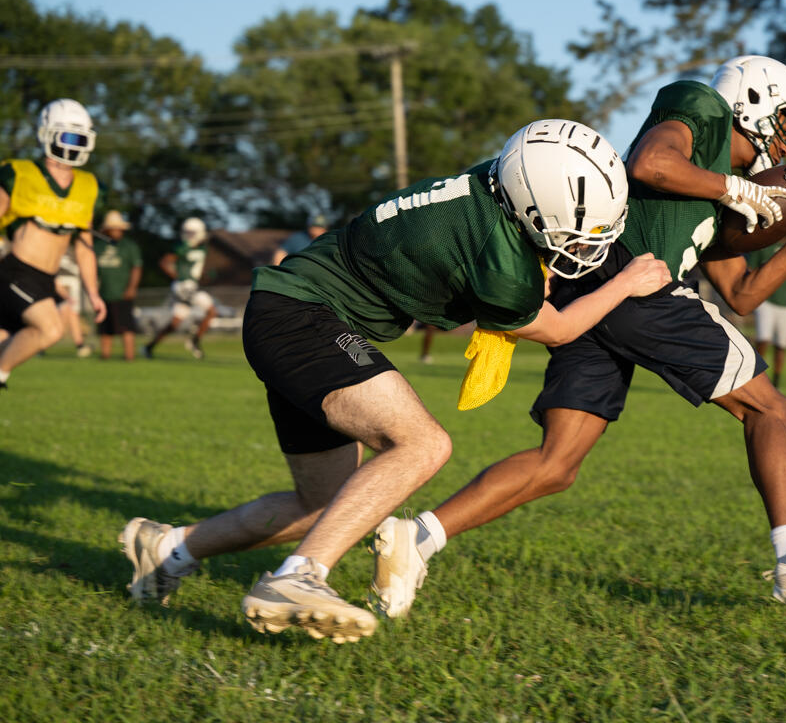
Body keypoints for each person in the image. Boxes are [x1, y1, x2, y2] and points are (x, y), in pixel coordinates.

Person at [371, 55, 786, 620]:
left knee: (557, 464)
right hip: (632, 277)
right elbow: (650, 162)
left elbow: (741, 295)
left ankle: (418, 537)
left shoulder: (714, 200)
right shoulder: (703, 109)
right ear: (753, 101)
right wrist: (731, 187)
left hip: (595, 297)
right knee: (769, 408)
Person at [119, 119, 671, 643]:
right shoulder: (500, 262)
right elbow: (561, 328)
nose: (583, 244)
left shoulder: (496, 176)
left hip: (288, 306)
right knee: (423, 444)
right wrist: (626, 281)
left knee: (327, 505)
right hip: (305, 315)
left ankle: (169, 548)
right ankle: (297, 577)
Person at [0, 98, 107, 390]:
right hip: (15, 272)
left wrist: (93, 292)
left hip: (47, 278)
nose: (73, 145)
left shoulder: (88, 186)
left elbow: (84, 246)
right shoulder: (18, 173)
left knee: (7, 337)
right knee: (51, 329)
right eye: (67, 137)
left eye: (80, 138)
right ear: (46, 133)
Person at [142, 217, 215, 360]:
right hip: (184, 286)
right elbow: (165, 262)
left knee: (175, 323)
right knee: (212, 310)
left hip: (191, 285)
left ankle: (149, 347)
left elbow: (195, 268)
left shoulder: (202, 249)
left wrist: (203, 276)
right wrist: (178, 276)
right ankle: (194, 340)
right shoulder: (181, 248)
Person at [747, 239, 786, 387]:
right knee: (763, 339)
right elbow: (750, 271)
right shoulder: (761, 247)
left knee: (781, 344)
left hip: (785, 303)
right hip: (764, 300)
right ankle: (757, 378)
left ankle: (776, 382)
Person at [93, 210, 143, 361]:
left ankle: (129, 357)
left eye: (118, 227)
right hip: (104, 293)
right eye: (113, 228)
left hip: (122, 293)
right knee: (105, 328)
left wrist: (132, 288)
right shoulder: (98, 246)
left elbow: (136, 267)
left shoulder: (129, 246)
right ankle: (105, 356)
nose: (116, 231)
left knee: (126, 327)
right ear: (107, 229)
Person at [54, 249, 92, 357]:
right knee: (62, 316)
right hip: (60, 282)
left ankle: (80, 345)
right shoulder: (55, 245)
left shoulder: (73, 248)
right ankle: (41, 345)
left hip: (73, 283)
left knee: (72, 314)